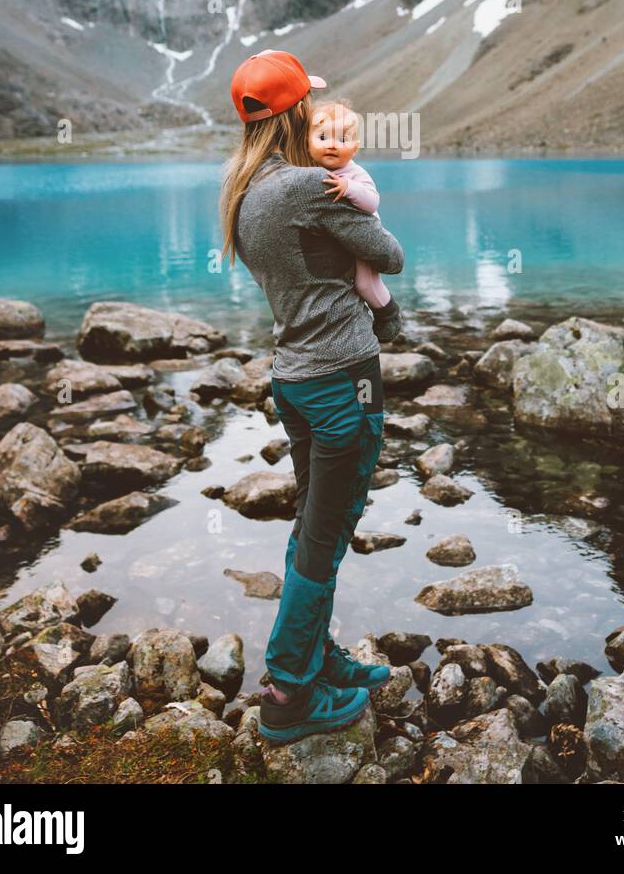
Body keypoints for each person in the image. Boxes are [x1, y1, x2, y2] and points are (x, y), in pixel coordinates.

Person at [220, 49, 405, 744]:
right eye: (310, 106)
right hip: (341, 380)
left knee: (312, 526)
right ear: (296, 113)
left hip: (295, 380)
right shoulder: (303, 186)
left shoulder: (244, 188)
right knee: (324, 538)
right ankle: (287, 693)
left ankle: (317, 658)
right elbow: (388, 254)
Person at [307, 96, 403, 342]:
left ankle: (388, 313)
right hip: (341, 236)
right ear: (307, 142)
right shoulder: (309, 170)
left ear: (355, 147)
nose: (332, 145)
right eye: (322, 137)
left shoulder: (354, 172)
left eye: (342, 139)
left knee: (365, 283)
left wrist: (349, 187)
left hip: (365, 236)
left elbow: (372, 201)